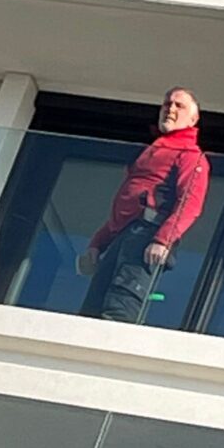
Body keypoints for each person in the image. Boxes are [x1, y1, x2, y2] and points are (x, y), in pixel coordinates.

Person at [76, 87, 209, 323]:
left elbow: (190, 203)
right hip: (126, 234)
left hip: (146, 235)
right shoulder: (154, 150)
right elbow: (125, 210)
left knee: (120, 306)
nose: (171, 109)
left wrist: (162, 239)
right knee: (92, 310)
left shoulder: (190, 155)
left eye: (180, 106)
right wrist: (98, 243)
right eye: (167, 103)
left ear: (193, 119)